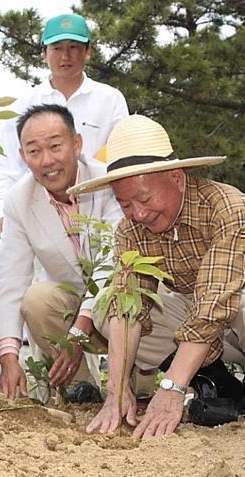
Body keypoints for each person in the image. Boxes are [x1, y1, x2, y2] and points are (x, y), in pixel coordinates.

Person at [68, 114, 244, 438]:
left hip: (237, 313)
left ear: (176, 177)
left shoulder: (227, 207)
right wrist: (117, 391)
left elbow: (215, 300)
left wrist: (172, 387)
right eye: (125, 205)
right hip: (205, 330)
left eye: (145, 199)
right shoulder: (130, 231)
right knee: (110, 311)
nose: (139, 213)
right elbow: (128, 306)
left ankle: (189, 380)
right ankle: (219, 383)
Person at [0, 104, 123, 399]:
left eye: (55, 146)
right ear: (23, 157)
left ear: (76, 144)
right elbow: (11, 282)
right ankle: (82, 388)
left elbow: (113, 263)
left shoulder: (110, 181)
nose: (47, 161)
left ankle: (135, 385)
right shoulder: (18, 201)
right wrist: (8, 357)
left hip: (121, 299)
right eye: (34, 151)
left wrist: (80, 330)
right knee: (36, 299)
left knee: (130, 296)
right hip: (71, 305)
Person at [0, 13, 128, 238]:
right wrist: (4, 213)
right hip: (39, 215)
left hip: (100, 212)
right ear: (44, 53)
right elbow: (8, 168)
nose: (65, 56)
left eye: (74, 47)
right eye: (57, 48)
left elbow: (123, 159)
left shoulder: (110, 99)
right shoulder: (23, 104)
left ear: (88, 51)